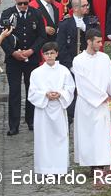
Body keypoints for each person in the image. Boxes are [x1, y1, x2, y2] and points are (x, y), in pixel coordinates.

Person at [72, 28, 111, 171]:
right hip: (86, 103)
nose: (100, 45)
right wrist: (102, 97)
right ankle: (92, 165)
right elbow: (83, 84)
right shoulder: (78, 60)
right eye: (97, 42)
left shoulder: (104, 58)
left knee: (101, 134)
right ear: (89, 41)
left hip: (102, 103)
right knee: (88, 134)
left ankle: (101, 164)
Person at [0, 0, 47, 135]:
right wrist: (13, 52)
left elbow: (42, 36)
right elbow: (2, 37)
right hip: (13, 59)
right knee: (14, 92)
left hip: (31, 58)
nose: (22, 6)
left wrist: (32, 50)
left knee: (31, 90)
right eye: (20, 3)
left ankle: (31, 120)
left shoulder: (36, 13)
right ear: (15, 1)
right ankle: (13, 125)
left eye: (25, 3)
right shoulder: (7, 14)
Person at [27, 41, 74, 175]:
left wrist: (60, 94)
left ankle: (60, 168)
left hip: (59, 107)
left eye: (52, 53)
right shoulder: (36, 72)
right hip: (43, 110)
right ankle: (45, 169)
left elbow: (70, 88)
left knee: (60, 137)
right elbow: (32, 92)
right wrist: (45, 94)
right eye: (46, 53)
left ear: (57, 54)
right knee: (44, 139)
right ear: (43, 55)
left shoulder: (64, 71)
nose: (49, 56)